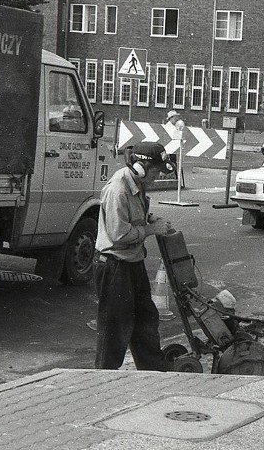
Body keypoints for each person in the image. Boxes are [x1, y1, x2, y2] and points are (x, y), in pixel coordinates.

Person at [93, 142, 175, 371]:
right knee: (115, 330)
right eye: (156, 172)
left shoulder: (137, 184)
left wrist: (150, 220)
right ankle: (102, 378)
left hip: (132, 263)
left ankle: (153, 372)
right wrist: (151, 230)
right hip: (114, 266)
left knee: (146, 320)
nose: (158, 177)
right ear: (141, 167)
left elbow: (134, 217)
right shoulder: (117, 189)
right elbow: (118, 233)